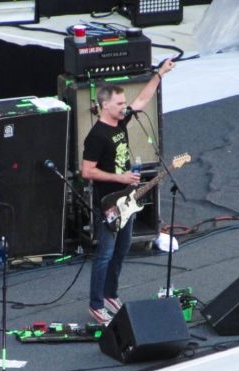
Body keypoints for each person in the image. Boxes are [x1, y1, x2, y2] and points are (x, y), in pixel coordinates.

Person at [81, 59, 176, 324]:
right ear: (105, 105)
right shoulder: (97, 136)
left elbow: (143, 101)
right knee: (104, 256)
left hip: (128, 199)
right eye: (120, 104)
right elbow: (86, 171)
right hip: (109, 202)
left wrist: (159, 74)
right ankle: (96, 304)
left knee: (122, 250)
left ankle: (111, 293)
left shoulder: (120, 124)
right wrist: (118, 176)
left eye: (124, 103)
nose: (125, 107)